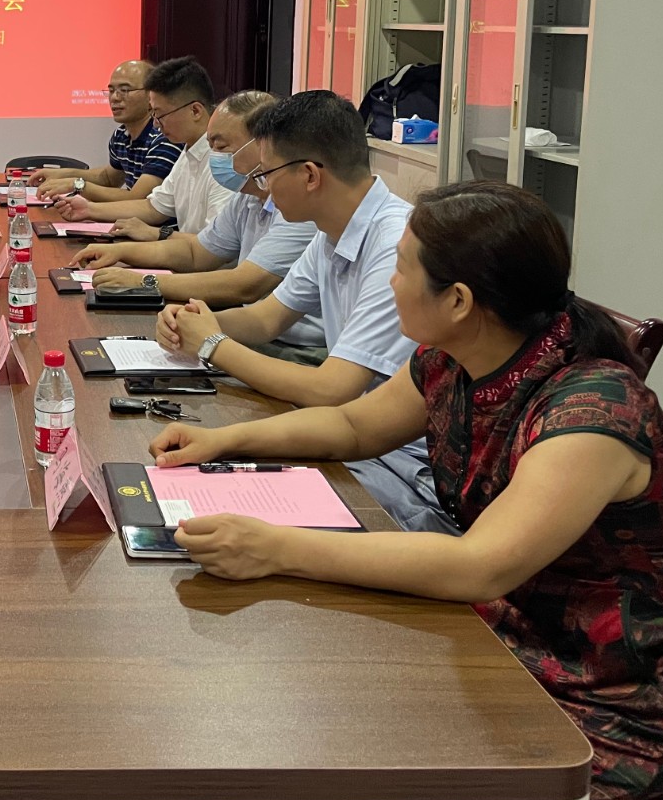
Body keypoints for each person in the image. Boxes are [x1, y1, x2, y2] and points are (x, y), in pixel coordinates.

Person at [147, 181, 663, 800]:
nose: (390, 283)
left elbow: (479, 566)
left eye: (401, 268)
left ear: (459, 300)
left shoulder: (592, 410)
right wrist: (222, 441)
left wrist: (275, 547)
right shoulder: (454, 358)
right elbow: (354, 427)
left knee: (337, 767)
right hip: (499, 636)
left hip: (604, 702)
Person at [154, 90, 451, 533]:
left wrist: (212, 344)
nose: (264, 187)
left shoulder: (395, 246)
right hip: (356, 436)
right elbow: (265, 318)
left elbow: (332, 391)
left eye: (267, 173)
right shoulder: (332, 230)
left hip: (405, 467)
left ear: (310, 175)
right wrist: (193, 323)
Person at [71, 92, 326, 362]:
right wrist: (123, 252)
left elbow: (244, 285)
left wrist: (144, 282)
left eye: (221, 146)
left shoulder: (299, 210)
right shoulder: (247, 197)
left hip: (298, 350)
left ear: (263, 145)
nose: (214, 156)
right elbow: (196, 252)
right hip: (258, 334)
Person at [55, 56, 232, 237]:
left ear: (195, 111)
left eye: (160, 115)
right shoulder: (189, 153)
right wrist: (88, 209)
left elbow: (214, 245)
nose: (156, 124)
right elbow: (153, 207)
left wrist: (156, 234)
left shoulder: (223, 163)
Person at [31, 60, 180, 203]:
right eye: (111, 91)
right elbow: (109, 179)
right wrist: (60, 175)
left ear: (151, 95)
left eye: (125, 90)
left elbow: (138, 199)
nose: (114, 98)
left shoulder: (164, 137)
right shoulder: (121, 135)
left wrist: (77, 185)